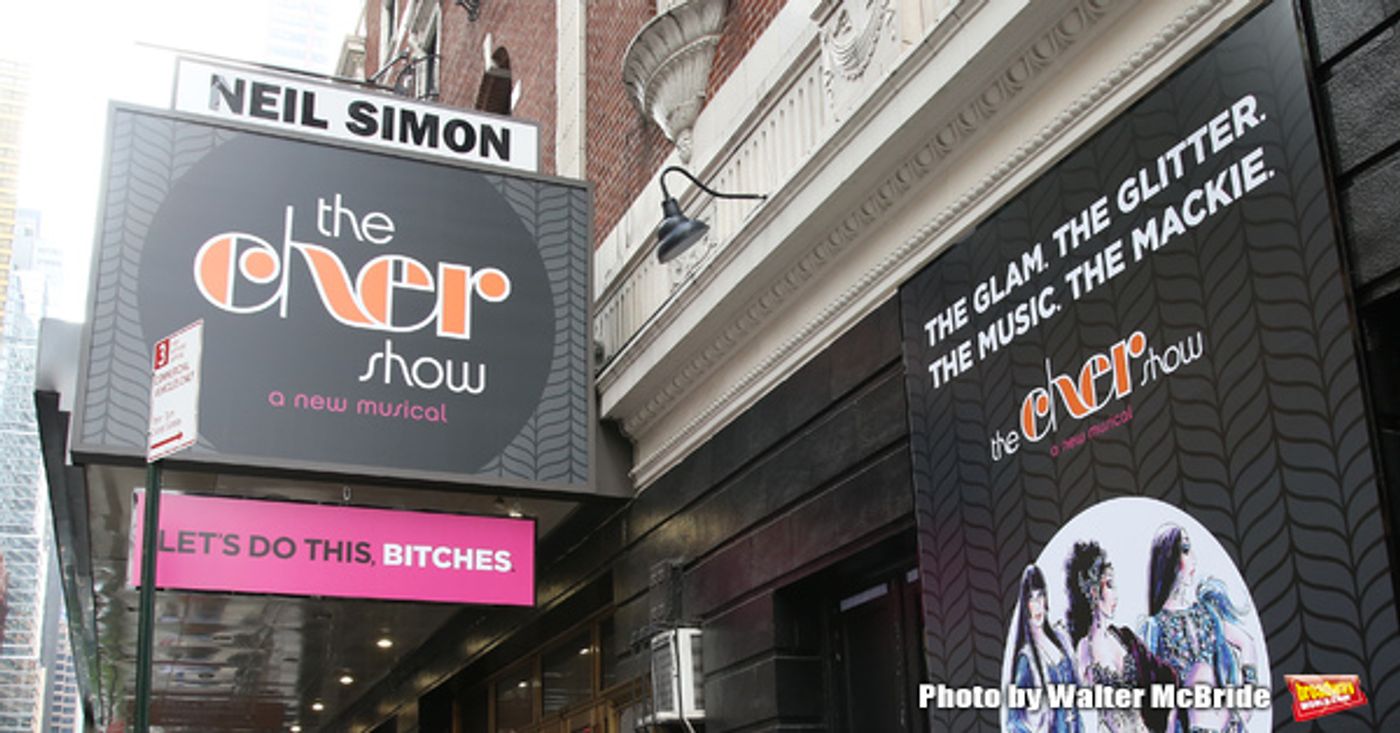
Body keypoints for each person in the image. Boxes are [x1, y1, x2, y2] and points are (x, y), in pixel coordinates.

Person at [1142, 524, 1258, 733]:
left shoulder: (1206, 614)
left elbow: (1246, 643)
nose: (1193, 557)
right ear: (1169, 559)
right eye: (1185, 550)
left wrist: (1245, 701)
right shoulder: (1155, 628)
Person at [1067, 541, 1178, 733]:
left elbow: (1166, 678)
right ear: (1094, 591)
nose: (1116, 595)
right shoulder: (1085, 648)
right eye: (1109, 585)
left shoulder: (1124, 638)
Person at [1009, 564, 1083, 733]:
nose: (1037, 605)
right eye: (1031, 599)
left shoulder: (1061, 640)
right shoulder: (1026, 659)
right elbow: (1014, 721)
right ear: (1024, 604)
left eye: (1040, 596)